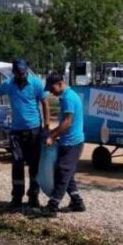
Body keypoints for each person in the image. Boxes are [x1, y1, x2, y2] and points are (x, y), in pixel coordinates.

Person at [0, 59, 49, 209]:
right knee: (17, 164)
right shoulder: (9, 84)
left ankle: (33, 196)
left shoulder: (36, 83)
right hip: (16, 130)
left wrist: (47, 127)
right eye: (19, 73)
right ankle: (17, 197)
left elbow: (45, 103)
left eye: (24, 73)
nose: (22, 75)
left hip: (34, 130)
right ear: (14, 72)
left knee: (34, 165)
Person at [43, 73, 87, 214]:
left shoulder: (68, 98)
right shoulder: (68, 96)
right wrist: (52, 132)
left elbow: (67, 123)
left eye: (51, 88)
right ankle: (77, 202)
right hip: (69, 141)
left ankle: (53, 206)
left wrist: (52, 136)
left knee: (62, 173)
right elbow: (64, 123)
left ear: (60, 84)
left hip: (72, 143)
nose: (50, 91)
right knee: (67, 173)